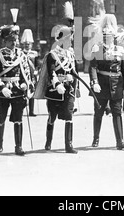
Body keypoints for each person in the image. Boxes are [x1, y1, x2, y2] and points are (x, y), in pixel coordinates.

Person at [0, 9, 36, 156]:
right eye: (11, 40)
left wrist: (25, 84)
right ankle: (0, 142)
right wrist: (1, 86)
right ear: (4, 41)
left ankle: (18, 146)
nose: (14, 43)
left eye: (15, 40)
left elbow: (26, 72)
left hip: (18, 89)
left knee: (18, 118)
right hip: (3, 90)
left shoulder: (21, 55)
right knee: (2, 117)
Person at [89, 13, 124, 150]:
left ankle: (120, 141)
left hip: (116, 84)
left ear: (114, 37)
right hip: (101, 84)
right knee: (99, 112)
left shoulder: (120, 50)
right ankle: (96, 138)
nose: (108, 39)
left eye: (110, 36)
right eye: (105, 37)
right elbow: (93, 67)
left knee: (117, 112)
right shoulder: (98, 49)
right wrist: (94, 82)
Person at [36, 24, 79, 154]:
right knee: (52, 117)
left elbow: (74, 71)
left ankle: (69, 145)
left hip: (68, 90)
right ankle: (48, 142)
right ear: (64, 39)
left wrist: (72, 80)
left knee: (69, 116)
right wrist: (57, 84)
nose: (71, 41)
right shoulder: (52, 55)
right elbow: (51, 72)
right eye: (70, 38)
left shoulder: (71, 55)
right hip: (55, 91)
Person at [21, 29, 40, 117]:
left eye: (28, 44)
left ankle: (31, 111)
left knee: (32, 93)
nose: (27, 46)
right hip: (24, 76)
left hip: (32, 76)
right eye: (25, 44)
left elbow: (38, 64)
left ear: (31, 44)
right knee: (23, 93)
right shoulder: (20, 54)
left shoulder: (34, 53)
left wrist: (37, 70)